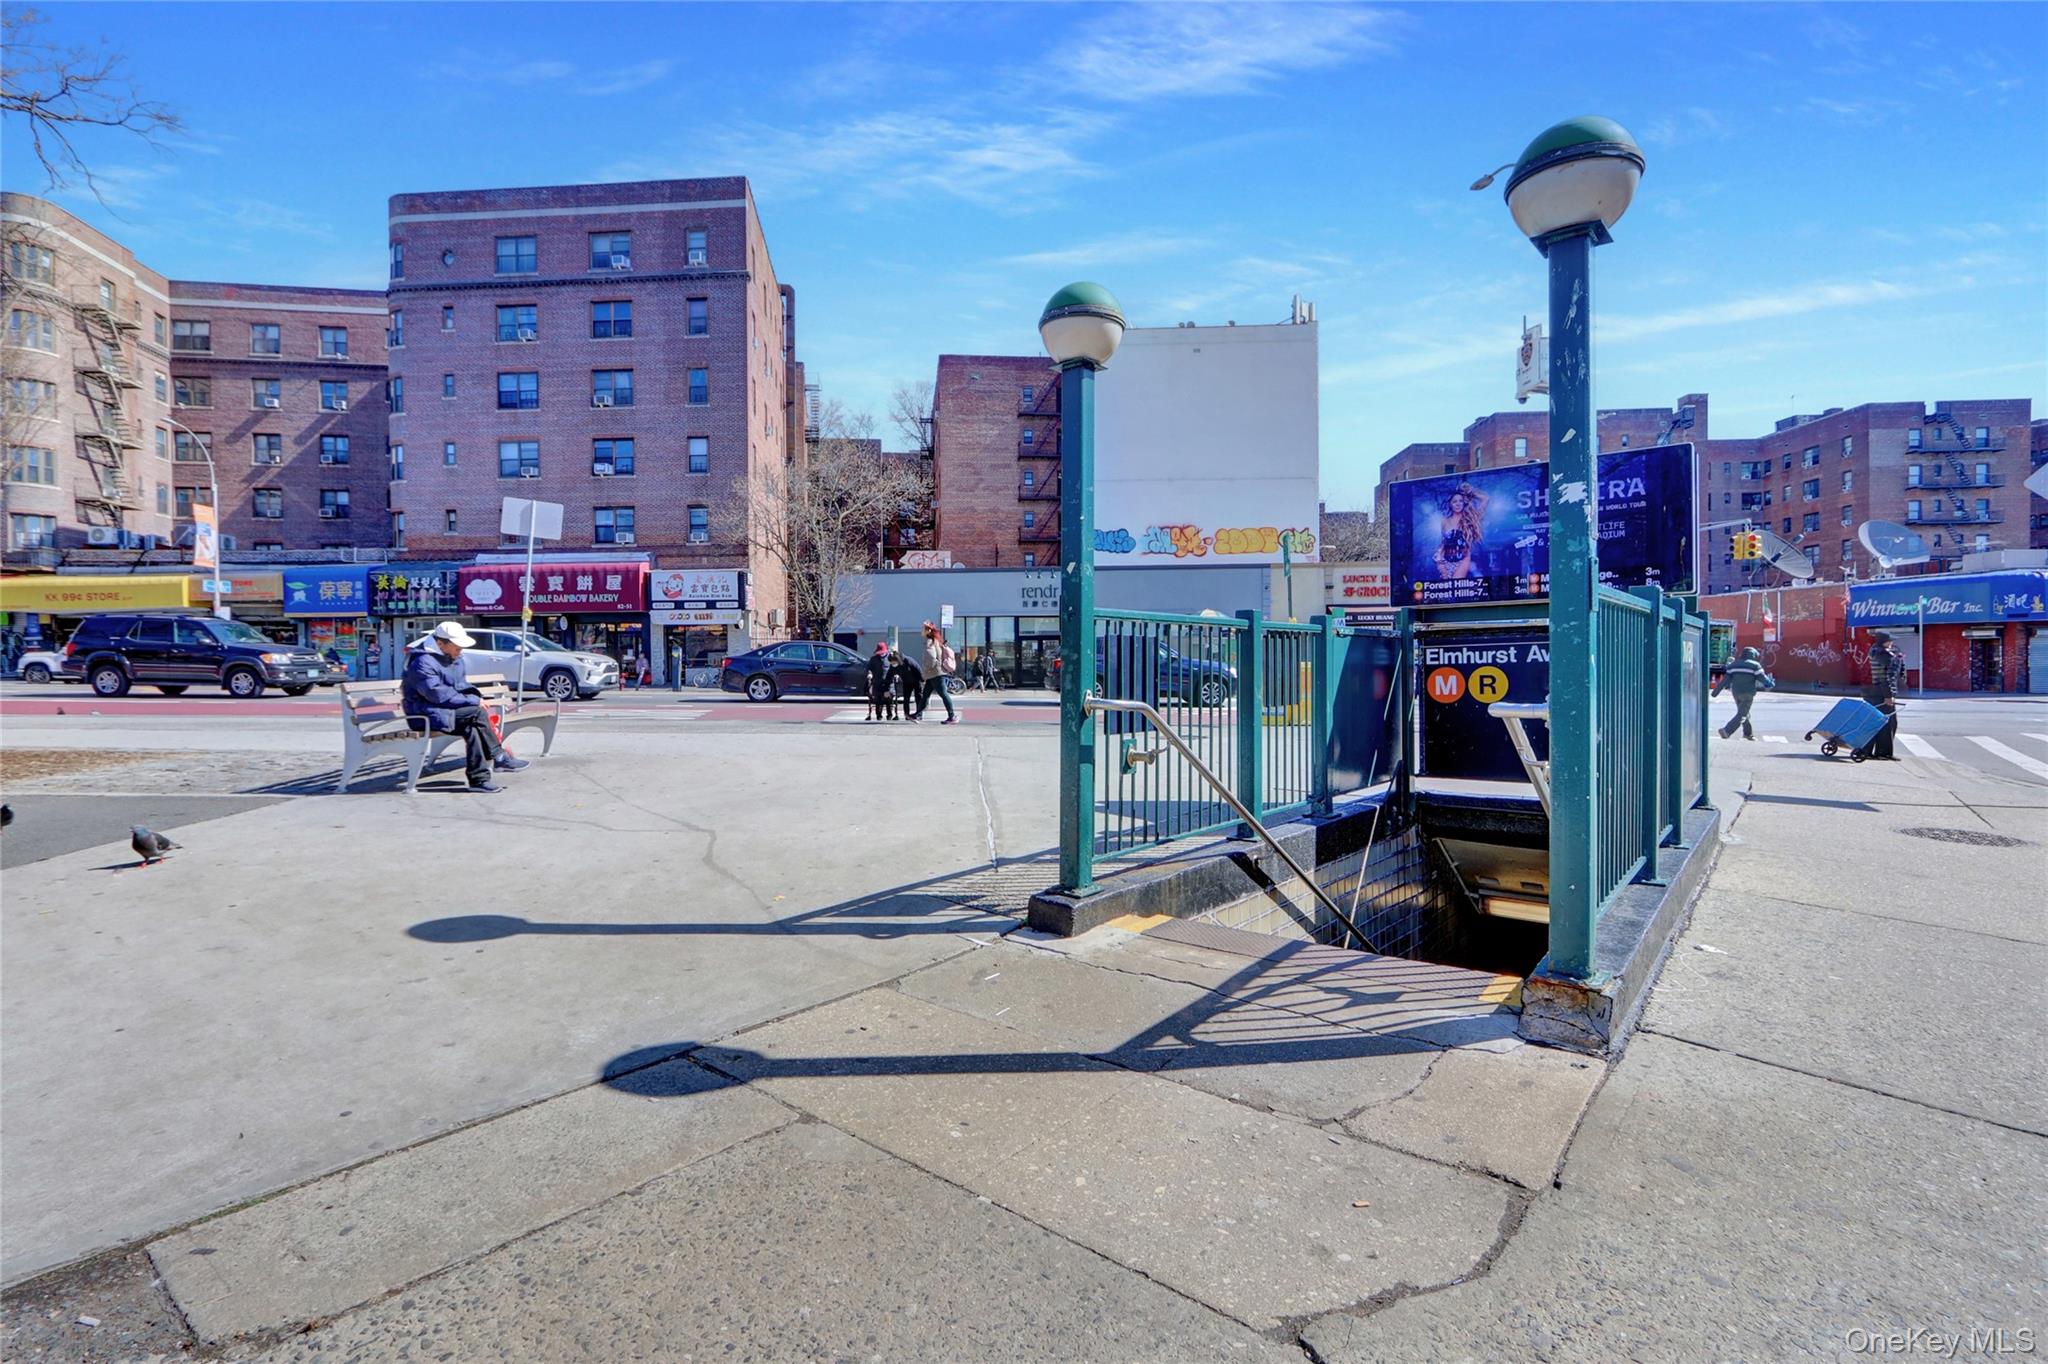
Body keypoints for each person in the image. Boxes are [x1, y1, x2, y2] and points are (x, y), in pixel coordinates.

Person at [402, 622, 529, 793]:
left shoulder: (454, 658)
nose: (460, 650)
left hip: (445, 711)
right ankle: (499, 756)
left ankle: (479, 780)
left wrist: (474, 697)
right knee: (476, 713)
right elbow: (437, 694)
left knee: (472, 728)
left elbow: (461, 685)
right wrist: (473, 702)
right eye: (457, 646)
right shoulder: (422, 662)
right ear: (440, 644)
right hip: (423, 715)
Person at [1859, 630, 1907, 761]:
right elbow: (1886, 677)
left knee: (1876, 722)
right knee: (1889, 723)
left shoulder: (1875, 651)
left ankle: (1867, 750)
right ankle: (1883, 752)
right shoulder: (1884, 655)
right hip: (1881, 693)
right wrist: (1889, 695)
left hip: (1873, 693)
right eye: (1889, 640)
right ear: (1883, 641)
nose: (1892, 643)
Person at [1711, 646, 1775, 740]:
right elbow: (1763, 678)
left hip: (1736, 693)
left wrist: (1715, 692)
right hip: (1748, 692)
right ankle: (1727, 730)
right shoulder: (1755, 665)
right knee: (1742, 714)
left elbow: (1725, 681)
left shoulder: (1733, 665)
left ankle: (1748, 734)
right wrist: (1770, 684)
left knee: (1744, 712)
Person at [917, 621, 959, 724]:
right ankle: (917, 715)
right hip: (935, 673)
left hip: (936, 673)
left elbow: (931, 659)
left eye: (923, 629)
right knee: (926, 694)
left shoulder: (930, 642)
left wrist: (926, 670)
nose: (921, 630)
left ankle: (952, 716)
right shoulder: (936, 640)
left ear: (928, 631)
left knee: (943, 694)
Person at [889, 646, 925, 722]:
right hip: (906, 682)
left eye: (894, 662)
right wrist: (886, 686)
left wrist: (922, 680)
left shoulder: (908, 660)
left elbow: (918, 669)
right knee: (906, 699)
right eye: (891, 663)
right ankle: (907, 715)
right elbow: (889, 675)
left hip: (916, 680)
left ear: (898, 660)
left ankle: (919, 715)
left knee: (918, 698)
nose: (893, 664)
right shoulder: (893, 666)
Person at [865, 642, 894, 721]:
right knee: (878, 700)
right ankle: (879, 715)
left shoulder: (890, 657)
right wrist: (870, 674)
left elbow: (895, 668)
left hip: (888, 683)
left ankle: (889, 714)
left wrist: (896, 675)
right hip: (877, 682)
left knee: (888, 699)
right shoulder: (873, 659)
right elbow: (869, 668)